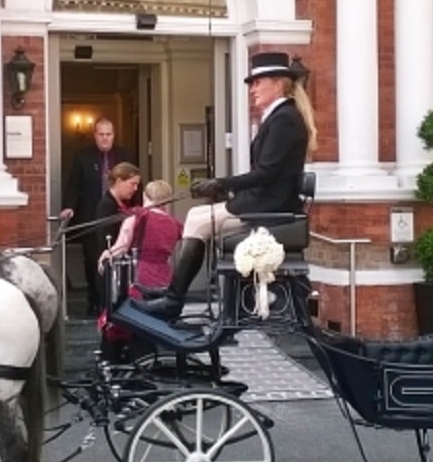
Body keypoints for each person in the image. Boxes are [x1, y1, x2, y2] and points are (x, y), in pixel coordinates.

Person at [136, 51, 317, 319]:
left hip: (270, 206)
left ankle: (173, 302)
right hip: (263, 200)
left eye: (257, 82)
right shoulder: (280, 117)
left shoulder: (285, 120)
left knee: (197, 222)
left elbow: (266, 173)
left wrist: (220, 183)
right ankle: (171, 293)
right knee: (195, 215)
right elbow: (267, 173)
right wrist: (222, 186)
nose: (252, 89)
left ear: (278, 83)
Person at [96, 179, 180, 363]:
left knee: (118, 321)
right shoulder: (174, 224)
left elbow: (121, 247)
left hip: (139, 276)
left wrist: (105, 254)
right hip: (164, 277)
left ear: (146, 196)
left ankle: (113, 363)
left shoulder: (136, 217)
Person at [59, 118, 135, 316]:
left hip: (119, 218)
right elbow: (74, 185)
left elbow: (135, 185)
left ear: (113, 135)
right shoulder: (83, 157)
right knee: (93, 261)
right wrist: (69, 207)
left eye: (108, 134)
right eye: (101, 134)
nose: (105, 138)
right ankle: (95, 301)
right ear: (95, 136)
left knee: (120, 258)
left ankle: (120, 300)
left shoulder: (125, 156)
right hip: (91, 218)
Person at [90, 162, 142, 309]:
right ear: (119, 181)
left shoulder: (120, 203)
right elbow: (105, 241)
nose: (135, 188)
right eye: (132, 184)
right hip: (111, 271)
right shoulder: (106, 205)